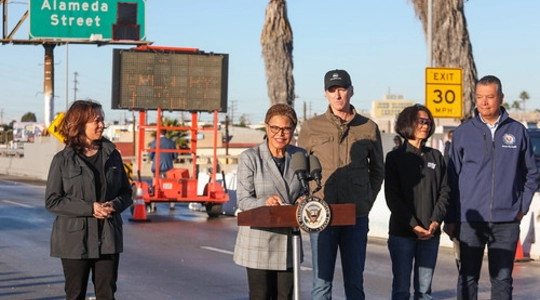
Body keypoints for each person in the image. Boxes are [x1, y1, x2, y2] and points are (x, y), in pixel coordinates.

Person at [444, 75, 538, 300]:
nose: (484, 102)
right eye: (479, 97)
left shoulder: (517, 132)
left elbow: (532, 174)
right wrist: (452, 218)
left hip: (506, 221)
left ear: (501, 98)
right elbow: (451, 178)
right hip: (470, 221)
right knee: (467, 277)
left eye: (489, 97)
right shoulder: (464, 133)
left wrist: (521, 207)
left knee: (503, 280)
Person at [297, 69, 385, 299]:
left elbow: (377, 170)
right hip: (321, 216)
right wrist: (306, 200)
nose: (337, 95)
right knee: (321, 285)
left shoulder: (368, 127)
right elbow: (299, 169)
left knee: (355, 283)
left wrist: (366, 199)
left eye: (342, 89)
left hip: (355, 216)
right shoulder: (311, 128)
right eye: (332, 90)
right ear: (325, 94)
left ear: (351, 91)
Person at [45, 100, 133, 300]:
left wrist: (114, 205)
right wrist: (90, 208)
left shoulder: (113, 156)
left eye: (102, 120)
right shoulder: (62, 160)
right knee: (75, 294)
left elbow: (127, 193)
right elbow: (52, 201)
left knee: (107, 294)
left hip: (108, 237)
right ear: (80, 124)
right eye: (96, 121)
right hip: (74, 241)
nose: (101, 124)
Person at [233, 103, 307, 300]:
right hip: (259, 240)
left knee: (286, 295)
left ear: (293, 129)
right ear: (267, 128)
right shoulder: (250, 158)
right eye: (275, 128)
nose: (280, 134)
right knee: (261, 295)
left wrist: (304, 200)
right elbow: (243, 200)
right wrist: (265, 203)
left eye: (286, 129)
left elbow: (304, 189)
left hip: (289, 241)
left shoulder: (301, 156)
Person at [384, 104, 450, 299]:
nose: (425, 126)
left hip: (430, 234)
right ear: (408, 123)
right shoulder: (395, 157)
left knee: (424, 292)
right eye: (420, 121)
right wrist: (413, 225)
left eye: (428, 122)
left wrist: (436, 220)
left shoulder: (435, 156)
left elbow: (445, 190)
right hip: (402, 234)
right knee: (401, 290)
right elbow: (392, 197)